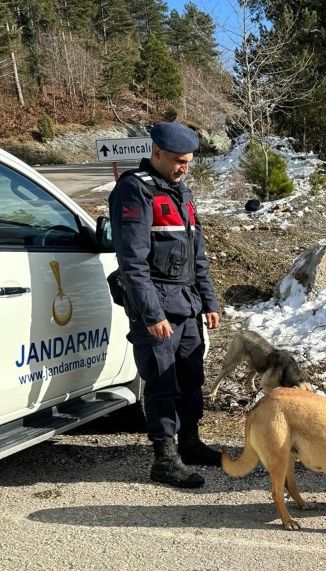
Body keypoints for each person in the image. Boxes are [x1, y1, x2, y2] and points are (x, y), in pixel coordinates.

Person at [108, 122, 221, 488]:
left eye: (188, 162)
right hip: (157, 308)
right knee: (161, 383)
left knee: (191, 379)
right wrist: (151, 314)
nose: (184, 168)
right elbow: (132, 263)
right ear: (156, 153)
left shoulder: (180, 192)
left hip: (187, 306)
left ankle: (190, 443)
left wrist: (209, 302)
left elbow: (197, 256)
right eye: (178, 161)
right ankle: (164, 458)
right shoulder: (133, 191)